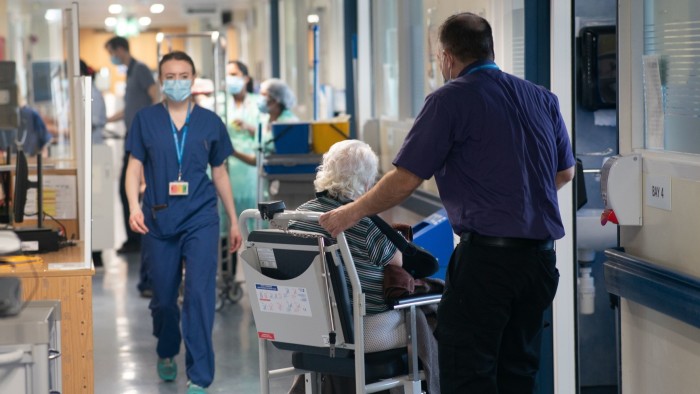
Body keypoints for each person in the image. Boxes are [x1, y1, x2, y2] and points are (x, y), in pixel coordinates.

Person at [319, 12, 575, 394]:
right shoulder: (540, 96)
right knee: (518, 374)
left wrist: (349, 212)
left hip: (489, 263)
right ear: (488, 49)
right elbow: (565, 173)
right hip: (539, 263)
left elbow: (406, 179)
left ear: (447, 57)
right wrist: (516, 202)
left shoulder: (449, 100)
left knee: (466, 373)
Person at [124, 51, 242, 394]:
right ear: (161, 80)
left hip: (201, 217)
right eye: (170, 76)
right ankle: (166, 348)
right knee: (162, 298)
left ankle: (199, 376)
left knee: (199, 296)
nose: (177, 81)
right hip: (158, 219)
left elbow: (219, 173)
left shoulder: (209, 122)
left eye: (183, 75)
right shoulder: (146, 120)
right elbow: (134, 167)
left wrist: (233, 220)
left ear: (193, 78)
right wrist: (133, 205)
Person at [286, 139, 440, 393]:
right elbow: (399, 262)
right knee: (433, 314)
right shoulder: (364, 224)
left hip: (312, 327)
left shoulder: (298, 218)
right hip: (363, 329)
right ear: (368, 182)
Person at [105, 35, 159, 296]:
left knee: (134, 188)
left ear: (119, 49)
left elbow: (154, 96)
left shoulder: (140, 69)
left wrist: (153, 127)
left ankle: (136, 238)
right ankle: (133, 238)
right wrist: (105, 119)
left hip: (142, 137)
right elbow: (129, 108)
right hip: (132, 135)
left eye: (111, 52)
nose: (111, 58)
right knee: (125, 188)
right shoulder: (130, 73)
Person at [80, 59, 107, 268]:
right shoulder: (84, 93)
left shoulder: (93, 94)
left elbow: (93, 121)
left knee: (95, 206)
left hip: (95, 155)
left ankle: (96, 253)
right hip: (88, 154)